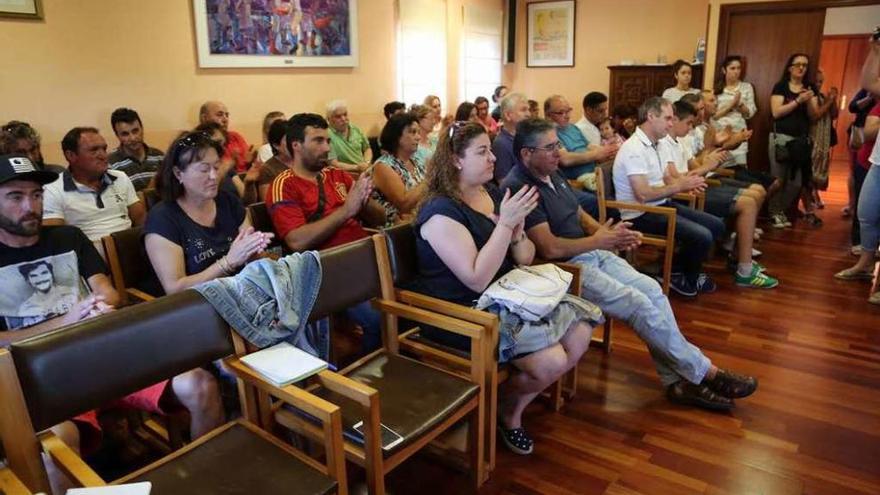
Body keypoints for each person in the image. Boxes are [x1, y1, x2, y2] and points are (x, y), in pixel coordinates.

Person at [0, 154, 222, 492]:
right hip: (42, 379)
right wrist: (66, 321)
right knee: (55, 447)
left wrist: (98, 306)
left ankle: (209, 482)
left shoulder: (68, 237)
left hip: (101, 353)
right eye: (15, 197)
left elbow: (109, 292)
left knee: (200, 386)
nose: (30, 206)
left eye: (37, 195)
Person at [501, 119, 757, 411]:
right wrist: (600, 241)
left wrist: (607, 234)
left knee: (652, 289)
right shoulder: (519, 186)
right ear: (525, 154)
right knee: (639, 304)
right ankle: (706, 373)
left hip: (590, 251)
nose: (558, 152)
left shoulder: (551, 171)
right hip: (564, 268)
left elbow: (578, 212)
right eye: (550, 148)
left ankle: (678, 382)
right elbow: (550, 247)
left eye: (557, 144)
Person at [414, 121, 600, 455]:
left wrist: (516, 232)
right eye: (482, 152)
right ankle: (509, 413)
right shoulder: (440, 212)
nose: (492, 160)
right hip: (464, 312)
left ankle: (503, 404)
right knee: (551, 361)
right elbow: (476, 279)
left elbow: (525, 257)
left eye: (490, 150)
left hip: (508, 295)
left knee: (581, 331)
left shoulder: (494, 194)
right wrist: (505, 223)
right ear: (456, 160)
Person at [266, 113, 384, 351]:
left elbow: (380, 218)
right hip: (328, 270)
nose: (327, 147)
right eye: (318, 141)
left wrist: (364, 198)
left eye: (328, 141)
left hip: (365, 257)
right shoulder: (284, 184)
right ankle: (370, 375)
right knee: (379, 318)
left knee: (414, 297)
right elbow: (296, 240)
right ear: (297, 145)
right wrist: (346, 210)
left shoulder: (336, 175)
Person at [613, 97, 724, 297]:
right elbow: (643, 194)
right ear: (651, 116)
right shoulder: (633, 149)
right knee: (703, 236)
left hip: (661, 204)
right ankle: (680, 275)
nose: (671, 123)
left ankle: (677, 271)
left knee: (716, 225)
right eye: (668, 118)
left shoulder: (658, 144)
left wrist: (685, 185)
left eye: (673, 119)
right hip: (639, 214)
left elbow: (666, 177)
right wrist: (679, 186)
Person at [144, 132, 273, 295]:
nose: (213, 176)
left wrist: (253, 252)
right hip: (195, 307)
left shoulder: (228, 202)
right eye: (204, 170)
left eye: (217, 167)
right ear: (178, 174)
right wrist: (228, 262)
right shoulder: (162, 219)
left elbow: (251, 259)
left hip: (240, 293)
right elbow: (175, 289)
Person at [665, 101, 777, 288]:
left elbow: (695, 168)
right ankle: (744, 270)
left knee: (755, 194)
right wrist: (707, 162)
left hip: (695, 185)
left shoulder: (678, 142)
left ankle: (738, 256)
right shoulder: (665, 143)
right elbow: (678, 179)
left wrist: (710, 160)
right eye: (689, 123)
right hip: (685, 194)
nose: (691, 127)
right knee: (748, 203)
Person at [42, 127, 145, 253]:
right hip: (89, 257)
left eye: (104, 149)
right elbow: (54, 240)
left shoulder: (120, 177)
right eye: (94, 150)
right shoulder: (52, 189)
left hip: (130, 250)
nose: (103, 155)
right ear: (71, 156)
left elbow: (140, 219)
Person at [836, 39, 880, 306]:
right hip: (878, 162)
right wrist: (875, 50)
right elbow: (868, 82)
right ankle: (865, 264)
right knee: (866, 213)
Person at [543, 95, 619, 219]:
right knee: (609, 203)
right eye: (561, 112)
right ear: (548, 115)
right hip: (578, 180)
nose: (566, 115)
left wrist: (608, 150)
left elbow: (590, 146)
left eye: (568, 111)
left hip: (595, 173)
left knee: (621, 189)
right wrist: (596, 154)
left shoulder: (573, 128)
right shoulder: (550, 133)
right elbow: (565, 159)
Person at [768, 53, 820, 229]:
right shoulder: (781, 86)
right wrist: (798, 100)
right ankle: (774, 213)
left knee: (796, 183)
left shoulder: (810, 87)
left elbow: (814, 116)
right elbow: (776, 112)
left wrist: (810, 100)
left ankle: (779, 211)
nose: (801, 68)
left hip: (800, 142)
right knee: (778, 180)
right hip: (780, 138)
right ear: (790, 68)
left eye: (804, 65)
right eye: (797, 64)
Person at [372, 113, 427, 225]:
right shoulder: (383, 166)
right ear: (396, 136)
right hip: (399, 231)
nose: (418, 137)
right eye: (412, 132)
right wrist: (431, 178)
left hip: (420, 219)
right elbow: (404, 204)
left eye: (418, 132)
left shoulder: (415, 161)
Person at [802, 68, 839, 224]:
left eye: (821, 81)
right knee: (808, 176)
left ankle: (812, 201)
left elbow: (834, 114)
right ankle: (808, 209)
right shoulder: (809, 95)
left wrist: (833, 99)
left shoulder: (822, 96)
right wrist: (829, 101)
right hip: (812, 140)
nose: (820, 84)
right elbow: (815, 115)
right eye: (817, 81)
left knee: (816, 175)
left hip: (823, 142)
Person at [713, 56, 758, 169]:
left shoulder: (746, 87)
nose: (736, 71)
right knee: (719, 169)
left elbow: (750, 114)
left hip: (739, 134)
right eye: (732, 68)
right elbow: (713, 116)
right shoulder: (717, 89)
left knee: (740, 169)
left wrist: (740, 105)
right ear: (724, 70)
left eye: (738, 68)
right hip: (720, 135)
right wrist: (731, 105)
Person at [107, 107, 164, 192]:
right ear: (117, 136)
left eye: (135, 131)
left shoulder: (159, 156)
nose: (133, 138)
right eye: (125, 134)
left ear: (142, 129)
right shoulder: (111, 164)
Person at [846, 88, 876, 228]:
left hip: (874, 140)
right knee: (856, 171)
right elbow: (852, 107)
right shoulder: (868, 89)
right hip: (860, 133)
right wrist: (869, 98)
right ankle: (852, 205)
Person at [199, 100, 254, 173]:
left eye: (227, 115)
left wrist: (250, 163)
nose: (225, 119)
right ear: (204, 118)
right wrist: (230, 162)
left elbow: (247, 165)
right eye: (219, 115)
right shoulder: (198, 142)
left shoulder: (235, 136)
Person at [491, 92, 532, 184]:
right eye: (523, 110)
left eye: (528, 109)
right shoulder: (501, 144)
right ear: (508, 115)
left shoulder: (528, 137)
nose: (528, 114)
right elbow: (504, 183)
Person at [1, 121, 65, 173]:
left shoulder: (58, 173)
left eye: (33, 150)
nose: (30, 157)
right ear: (6, 155)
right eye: (21, 153)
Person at [326, 100, 371, 173]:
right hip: (344, 174)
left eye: (345, 114)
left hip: (364, 170)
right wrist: (357, 167)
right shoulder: (327, 135)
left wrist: (367, 162)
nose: (343, 119)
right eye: (338, 116)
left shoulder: (355, 129)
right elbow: (333, 164)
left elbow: (367, 149)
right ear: (329, 119)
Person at [256, 119, 292, 200]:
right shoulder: (268, 169)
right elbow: (267, 202)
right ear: (276, 145)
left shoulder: (303, 162)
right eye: (288, 140)